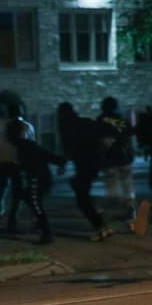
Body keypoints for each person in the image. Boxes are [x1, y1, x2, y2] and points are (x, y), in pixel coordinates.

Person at [57, 102, 116, 242]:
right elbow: (104, 135)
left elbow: (69, 147)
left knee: (82, 199)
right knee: (81, 190)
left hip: (84, 164)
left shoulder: (67, 126)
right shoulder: (85, 121)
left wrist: (62, 164)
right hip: (93, 163)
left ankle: (101, 227)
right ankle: (101, 222)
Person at [6, 118, 65, 245]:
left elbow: (45, 155)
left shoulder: (25, 145)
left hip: (38, 178)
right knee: (28, 198)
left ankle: (47, 233)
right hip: (37, 177)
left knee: (36, 204)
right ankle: (40, 226)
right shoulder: (21, 145)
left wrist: (60, 162)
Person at [95, 96, 136, 228]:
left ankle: (105, 213)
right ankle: (130, 212)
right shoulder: (120, 120)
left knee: (112, 188)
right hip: (123, 158)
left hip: (109, 160)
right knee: (127, 186)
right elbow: (129, 134)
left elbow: (98, 140)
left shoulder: (101, 121)